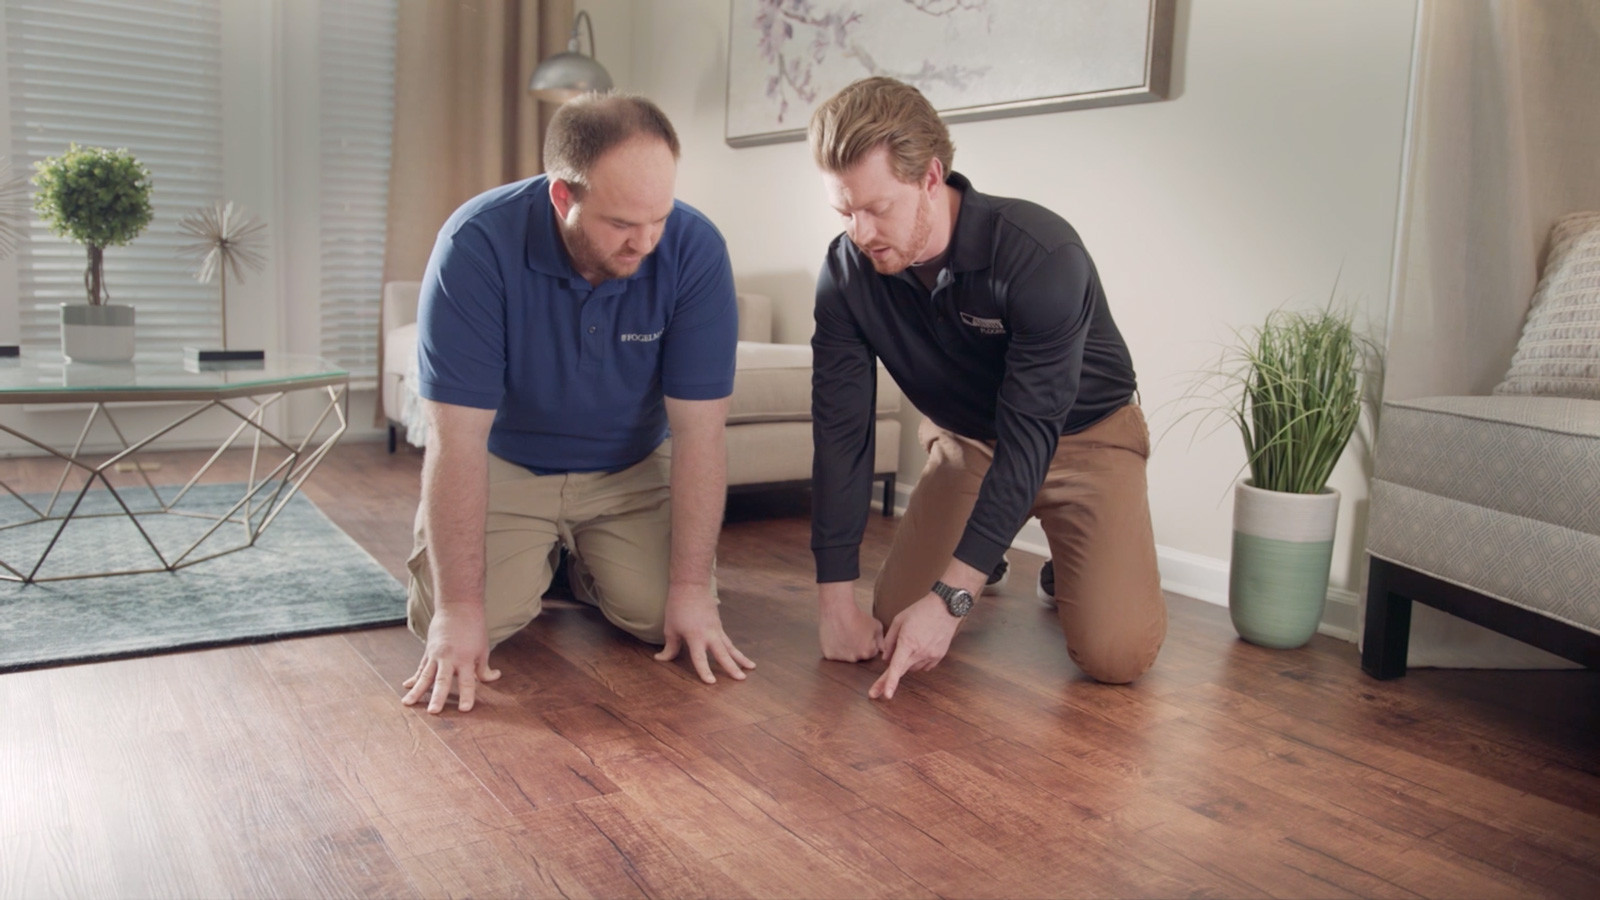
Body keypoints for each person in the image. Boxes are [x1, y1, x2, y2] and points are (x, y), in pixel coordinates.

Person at [807, 77, 1166, 699]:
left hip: (1085, 440)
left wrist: (950, 599)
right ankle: (985, 552)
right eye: (846, 212)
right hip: (972, 440)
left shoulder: (1040, 254)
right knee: (894, 616)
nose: (861, 234)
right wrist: (834, 602)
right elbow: (842, 432)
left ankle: (1065, 565)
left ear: (929, 178)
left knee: (1118, 655)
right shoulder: (846, 274)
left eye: (877, 208)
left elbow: (1031, 435)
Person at [401, 92, 755, 715]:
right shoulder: (475, 245)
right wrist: (458, 611)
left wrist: (693, 588)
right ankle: (542, 554)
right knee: (467, 624)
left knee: (662, 617)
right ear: (563, 197)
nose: (645, 243)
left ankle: (577, 563)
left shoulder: (695, 249)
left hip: (629, 468)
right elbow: (456, 442)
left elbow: (701, 435)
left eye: (660, 219)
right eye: (621, 224)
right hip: (506, 463)